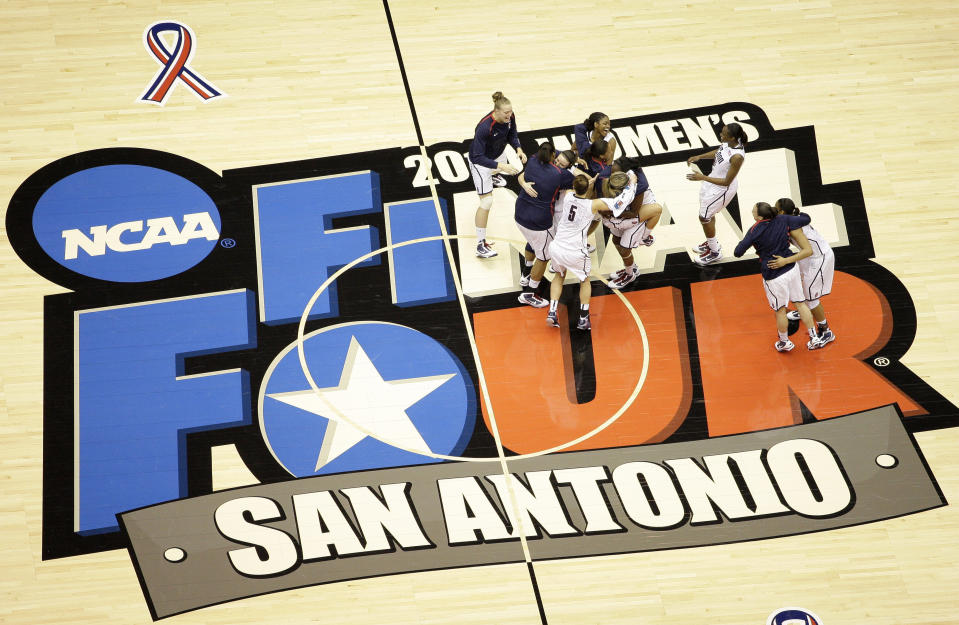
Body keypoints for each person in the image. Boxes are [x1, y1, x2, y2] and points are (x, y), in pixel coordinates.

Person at [733, 202, 827, 352]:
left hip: (773, 273)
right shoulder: (783, 219)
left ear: (759, 216)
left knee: (780, 310)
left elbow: (737, 252)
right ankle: (814, 337)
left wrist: (748, 240)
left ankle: (784, 342)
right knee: (801, 303)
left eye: (753, 210)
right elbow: (805, 219)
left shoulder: (754, 230)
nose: (751, 211)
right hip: (791, 267)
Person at [546, 174, 616, 331]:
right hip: (575, 250)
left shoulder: (568, 196)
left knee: (559, 276)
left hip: (557, 246)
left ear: (574, 186)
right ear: (588, 189)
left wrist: (585, 183)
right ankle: (583, 318)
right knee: (584, 280)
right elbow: (613, 205)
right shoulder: (593, 205)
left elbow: (577, 189)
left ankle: (552, 312)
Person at [514, 142, 575, 308]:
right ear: (554, 155)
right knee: (544, 256)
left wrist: (523, 183)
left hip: (520, 215)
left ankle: (526, 273)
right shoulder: (561, 175)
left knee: (534, 243)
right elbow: (579, 182)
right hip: (539, 222)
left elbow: (522, 175)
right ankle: (529, 293)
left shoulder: (533, 160)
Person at [468, 91, 528, 258]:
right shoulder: (484, 127)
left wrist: (519, 148)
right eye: (506, 113)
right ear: (496, 111)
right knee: (486, 202)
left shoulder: (510, 117)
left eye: (511, 112)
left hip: (497, 153)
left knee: (503, 168)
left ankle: (495, 173)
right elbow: (478, 157)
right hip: (480, 163)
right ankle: (480, 245)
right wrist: (502, 165)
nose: (510, 115)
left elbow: (512, 134)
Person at [774, 198, 836, 345]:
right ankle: (805, 311)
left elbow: (807, 251)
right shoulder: (798, 217)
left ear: (782, 212)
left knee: (811, 297)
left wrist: (786, 260)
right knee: (801, 287)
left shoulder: (793, 225)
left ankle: (826, 331)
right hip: (809, 256)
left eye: (776, 209)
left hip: (819, 258)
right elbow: (806, 217)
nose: (774, 210)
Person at [686, 123, 747, 265]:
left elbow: (726, 182)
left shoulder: (738, 157)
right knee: (708, 214)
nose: (721, 134)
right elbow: (719, 152)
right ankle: (711, 242)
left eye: (724, 133)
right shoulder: (728, 143)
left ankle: (715, 252)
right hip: (712, 181)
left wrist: (702, 177)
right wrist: (699, 157)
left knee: (704, 217)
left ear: (732, 137)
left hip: (722, 189)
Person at [601, 156, 663, 289]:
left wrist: (611, 213)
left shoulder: (639, 185)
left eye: (616, 172)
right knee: (616, 240)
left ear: (626, 173)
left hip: (640, 211)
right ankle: (632, 268)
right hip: (626, 209)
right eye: (612, 171)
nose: (612, 174)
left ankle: (630, 274)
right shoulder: (616, 170)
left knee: (625, 247)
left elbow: (633, 212)